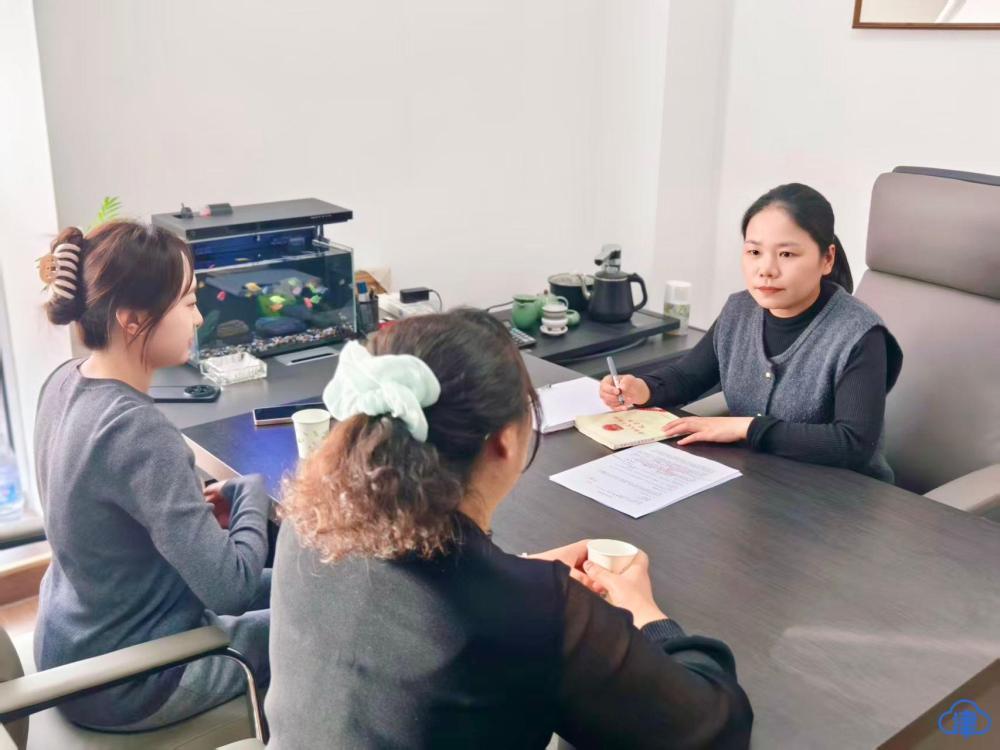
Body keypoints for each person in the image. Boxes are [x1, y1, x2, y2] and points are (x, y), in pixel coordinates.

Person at [267, 309, 752, 749]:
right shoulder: (536, 614)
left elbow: (406, 601)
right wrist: (646, 614)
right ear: (504, 440)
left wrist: (514, 573)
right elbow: (714, 730)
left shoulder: (307, 522)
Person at [33, 221, 271, 730]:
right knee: (318, 618)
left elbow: (106, 512)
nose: (199, 318)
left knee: (297, 581)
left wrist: (188, 509)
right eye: (189, 303)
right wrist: (251, 491)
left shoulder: (63, 382)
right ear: (134, 320)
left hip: (74, 647)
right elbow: (233, 590)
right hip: (132, 679)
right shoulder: (139, 430)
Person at [601, 183, 902, 482]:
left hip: (842, 496)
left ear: (827, 259)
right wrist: (642, 389)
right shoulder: (739, 310)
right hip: (756, 482)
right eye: (754, 251)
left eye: (786, 254)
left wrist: (747, 429)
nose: (766, 269)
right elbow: (688, 377)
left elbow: (852, 444)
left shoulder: (859, 334)